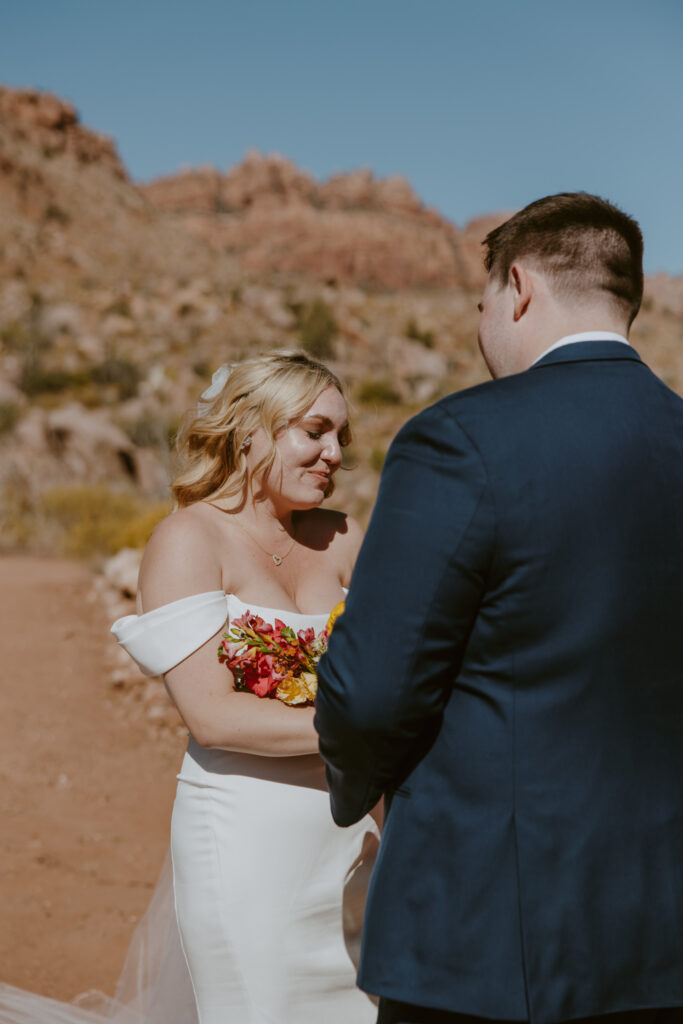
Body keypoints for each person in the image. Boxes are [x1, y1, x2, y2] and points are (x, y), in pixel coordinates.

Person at [314, 193, 683, 1024]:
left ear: (516, 287)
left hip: (492, 935)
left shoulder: (459, 439)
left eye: (481, 303)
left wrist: (362, 783)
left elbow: (372, 692)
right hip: (663, 937)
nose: (482, 325)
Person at [0, 351, 378, 1024]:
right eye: (314, 430)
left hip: (356, 841)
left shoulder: (346, 539)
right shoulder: (188, 539)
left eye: (340, 438)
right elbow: (213, 717)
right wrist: (375, 731)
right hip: (247, 841)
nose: (333, 454)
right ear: (250, 430)